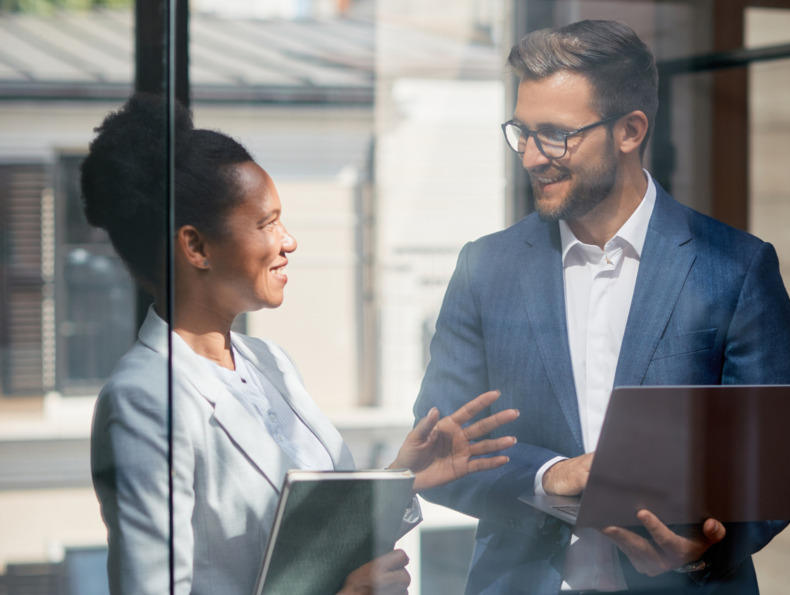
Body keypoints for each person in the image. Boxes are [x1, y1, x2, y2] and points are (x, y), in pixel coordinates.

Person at [413, 19, 790, 595]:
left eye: (555, 134)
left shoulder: (736, 267)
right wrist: (551, 475)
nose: (530, 156)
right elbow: (439, 449)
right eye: (521, 131)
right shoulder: (485, 268)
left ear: (630, 130)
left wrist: (703, 549)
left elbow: (781, 462)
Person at [83, 93, 519, 595]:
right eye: (266, 223)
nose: (289, 241)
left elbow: (311, 538)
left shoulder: (271, 364)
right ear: (196, 246)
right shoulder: (144, 399)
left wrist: (403, 476)